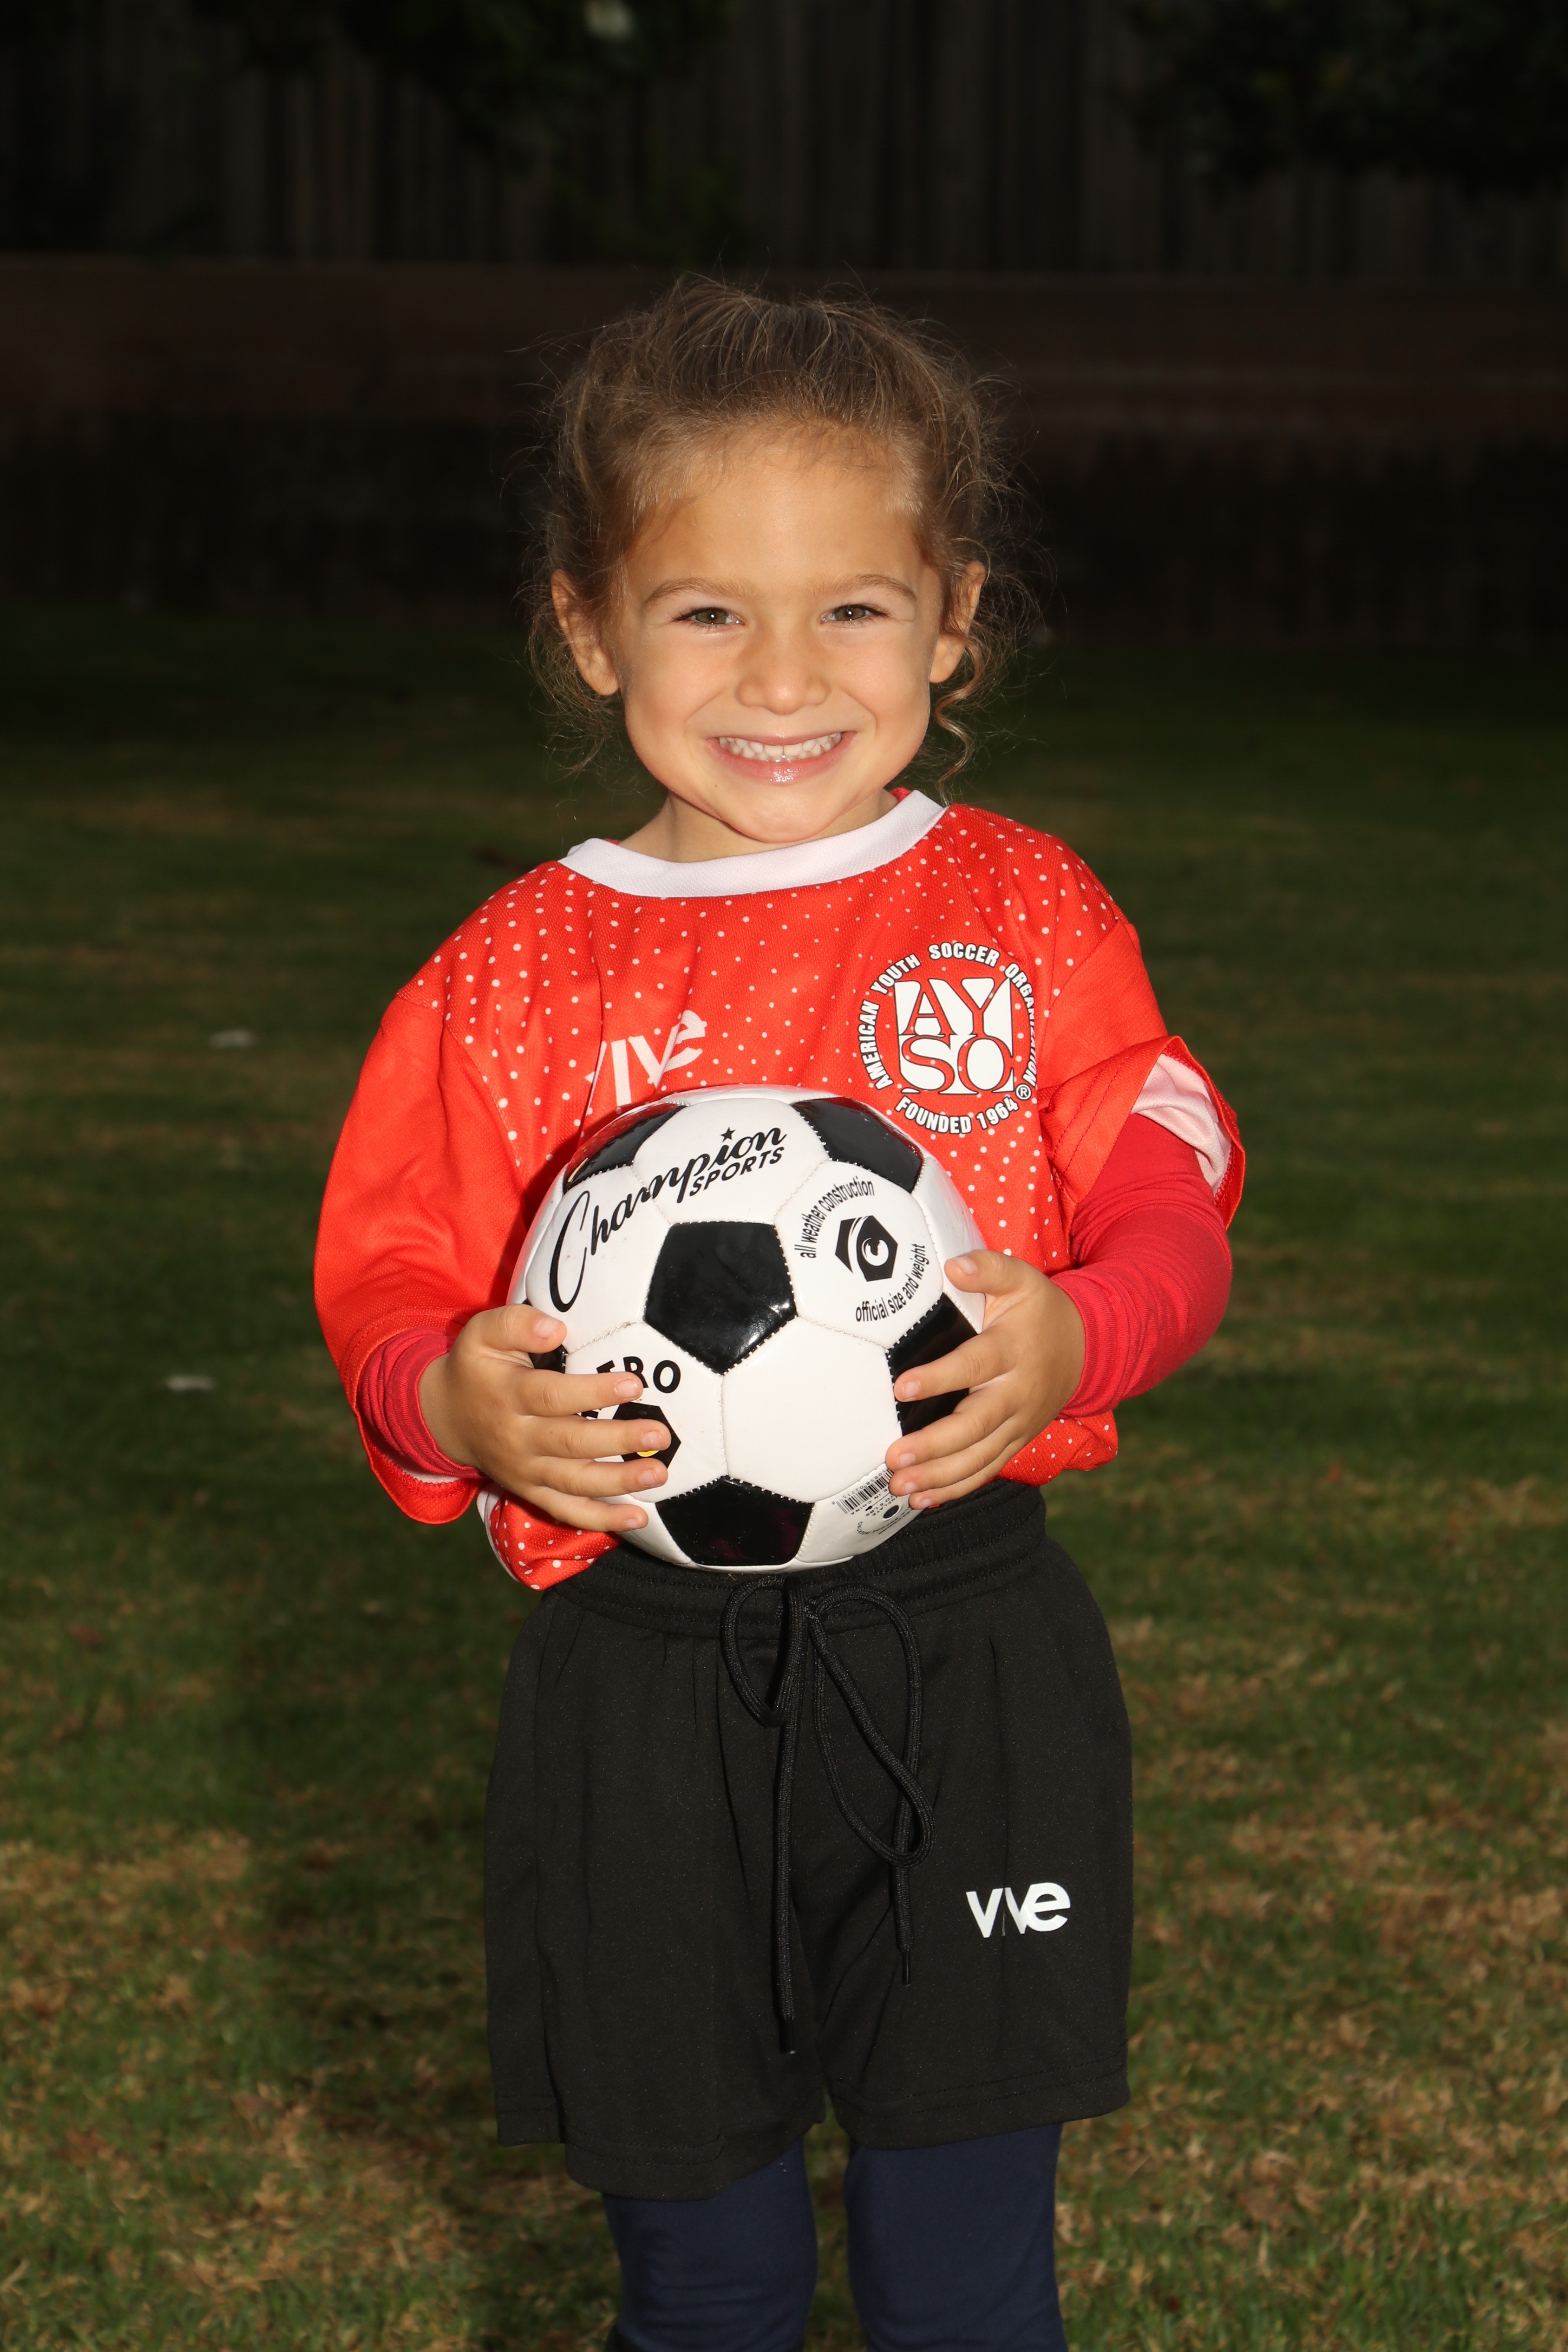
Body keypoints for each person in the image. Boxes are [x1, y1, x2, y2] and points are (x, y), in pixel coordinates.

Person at [315, 282, 1243, 2352]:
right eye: (708, 611)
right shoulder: (506, 976)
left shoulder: (1023, 912)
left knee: (963, 2276)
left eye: (853, 609)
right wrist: (453, 1399)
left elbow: (1169, 1196)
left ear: (955, 617)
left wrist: (1088, 1332)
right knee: (708, 2275)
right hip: (637, 1696)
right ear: (589, 628)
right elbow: (386, 1284)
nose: (784, 677)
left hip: (970, 1662)